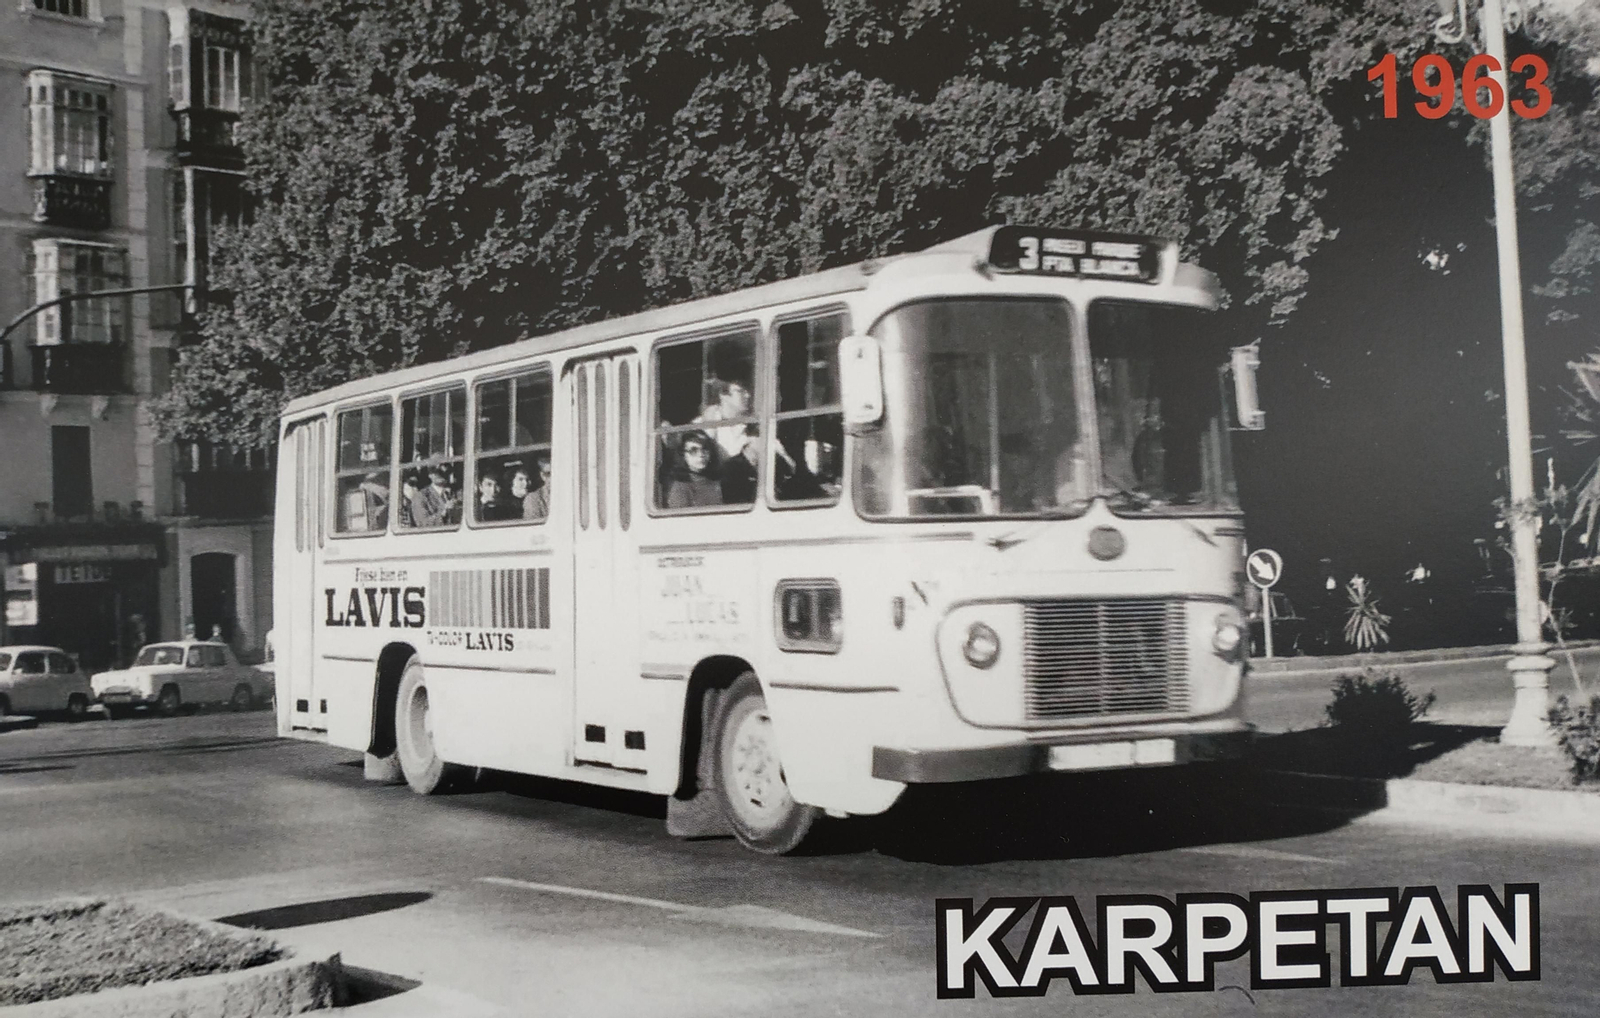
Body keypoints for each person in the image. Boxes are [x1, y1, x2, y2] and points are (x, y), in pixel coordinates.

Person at [666, 432, 722, 508]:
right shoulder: (680, 488)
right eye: (693, 450)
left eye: (705, 449)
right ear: (683, 455)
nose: (701, 454)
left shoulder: (717, 480)